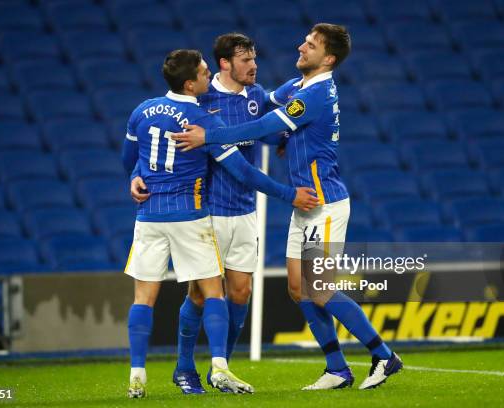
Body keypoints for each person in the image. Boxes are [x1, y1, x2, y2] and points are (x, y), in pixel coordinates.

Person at [170, 23, 403, 391]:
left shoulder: (317, 95)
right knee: (298, 289)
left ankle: (384, 355)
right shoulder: (298, 88)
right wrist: (286, 138)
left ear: (327, 58)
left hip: (323, 201)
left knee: (320, 288)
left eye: (310, 45)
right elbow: (272, 114)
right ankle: (337, 369)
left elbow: (262, 124)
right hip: (302, 205)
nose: (301, 47)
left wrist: (211, 136)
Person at [121, 49, 318, 398]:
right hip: (203, 210)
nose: (254, 65)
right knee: (205, 293)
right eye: (245, 59)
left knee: (238, 291)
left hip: (233, 212)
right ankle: (188, 368)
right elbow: (240, 168)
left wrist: (289, 135)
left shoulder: (254, 97)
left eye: (255, 57)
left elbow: (136, 154)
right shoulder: (201, 109)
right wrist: (290, 194)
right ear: (224, 64)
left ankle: (205, 368)